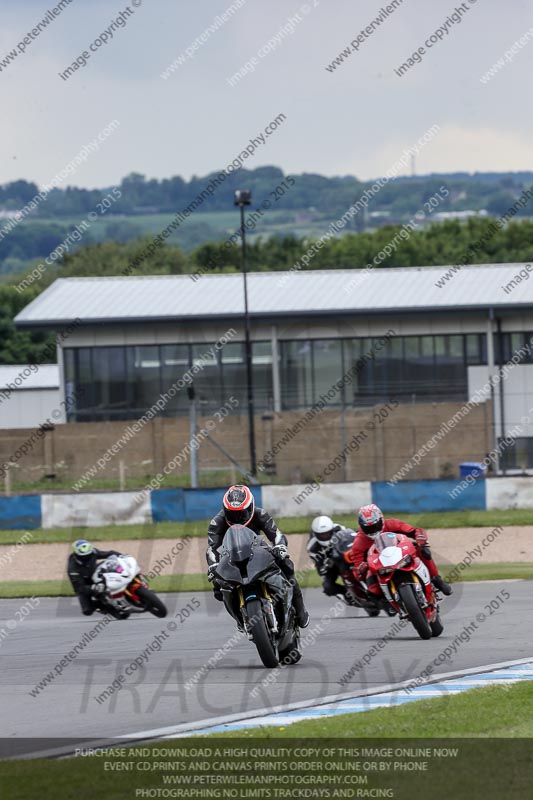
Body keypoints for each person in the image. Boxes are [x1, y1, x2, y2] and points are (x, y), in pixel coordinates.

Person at [206, 484, 310, 627]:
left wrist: (279, 547)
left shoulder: (260, 514)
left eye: (241, 513)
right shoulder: (217, 522)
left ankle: (300, 610)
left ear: (251, 507)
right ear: (225, 510)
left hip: (258, 550)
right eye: (232, 513)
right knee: (218, 585)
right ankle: (239, 616)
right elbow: (212, 548)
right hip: (231, 555)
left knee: (286, 564)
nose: (237, 517)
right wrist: (213, 565)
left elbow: (276, 534)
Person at [347, 504, 453, 598]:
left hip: (401, 555)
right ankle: (388, 601)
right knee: (372, 591)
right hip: (380, 566)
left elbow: (415, 531)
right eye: (368, 528)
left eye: (375, 526)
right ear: (361, 527)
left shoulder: (393, 524)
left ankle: (436, 579)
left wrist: (422, 541)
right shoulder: (358, 543)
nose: (373, 530)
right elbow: (358, 571)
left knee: (423, 551)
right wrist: (362, 569)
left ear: (381, 519)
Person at [67, 539, 129, 619]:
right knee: (87, 611)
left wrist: (122, 556)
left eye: (88, 555)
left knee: (111, 567)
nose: (87, 558)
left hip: (95, 574)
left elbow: (108, 553)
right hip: (84, 585)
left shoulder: (93, 552)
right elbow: (80, 587)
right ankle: (103, 607)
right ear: (76, 555)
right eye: (84, 557)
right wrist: (93, 588)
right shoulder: (72, 569)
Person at [307, 515, 351, 599]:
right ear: (316, 534)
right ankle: (347, 596)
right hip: (331, 566)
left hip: (344, 557)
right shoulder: (312, 547)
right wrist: (327, 564)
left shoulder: (339, 529)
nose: (325, 536)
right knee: (328, 587)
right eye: (322, 535)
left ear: (332, 530)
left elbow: (351, 539)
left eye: (327, 533)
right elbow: (320, 570)